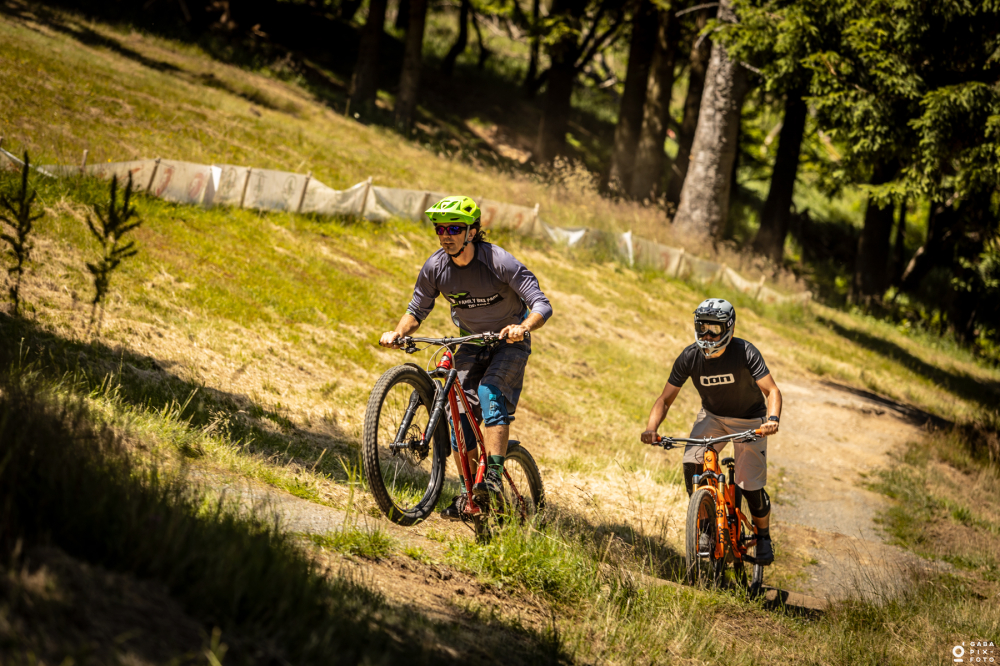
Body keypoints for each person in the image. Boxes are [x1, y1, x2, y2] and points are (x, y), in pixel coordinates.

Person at [379, 195, 553, 518]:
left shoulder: (498, 261)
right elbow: (417, 309)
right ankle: (469, 494)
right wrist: (399, 332)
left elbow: (542, 304)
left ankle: (494, 479)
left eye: (454, 228)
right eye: (440, 228)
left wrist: (523, 326)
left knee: (490, 392)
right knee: (456, 411)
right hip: (472, 342)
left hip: (508, 342)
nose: (446, 234)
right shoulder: (436, 267)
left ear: (471, 232)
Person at [640, 298, 782, 565]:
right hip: (713, 417)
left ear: (728, 328)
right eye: (702, 327)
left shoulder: (745, 352)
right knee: (692, 463)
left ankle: (763, 536)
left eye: (713, 329)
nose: (707, 334)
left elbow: (772, 390)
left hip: (750, 420)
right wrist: (651, 429)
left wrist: (772, 419)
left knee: (750, 485)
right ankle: (705, 525)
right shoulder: (690, 357)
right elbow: (665, 399)